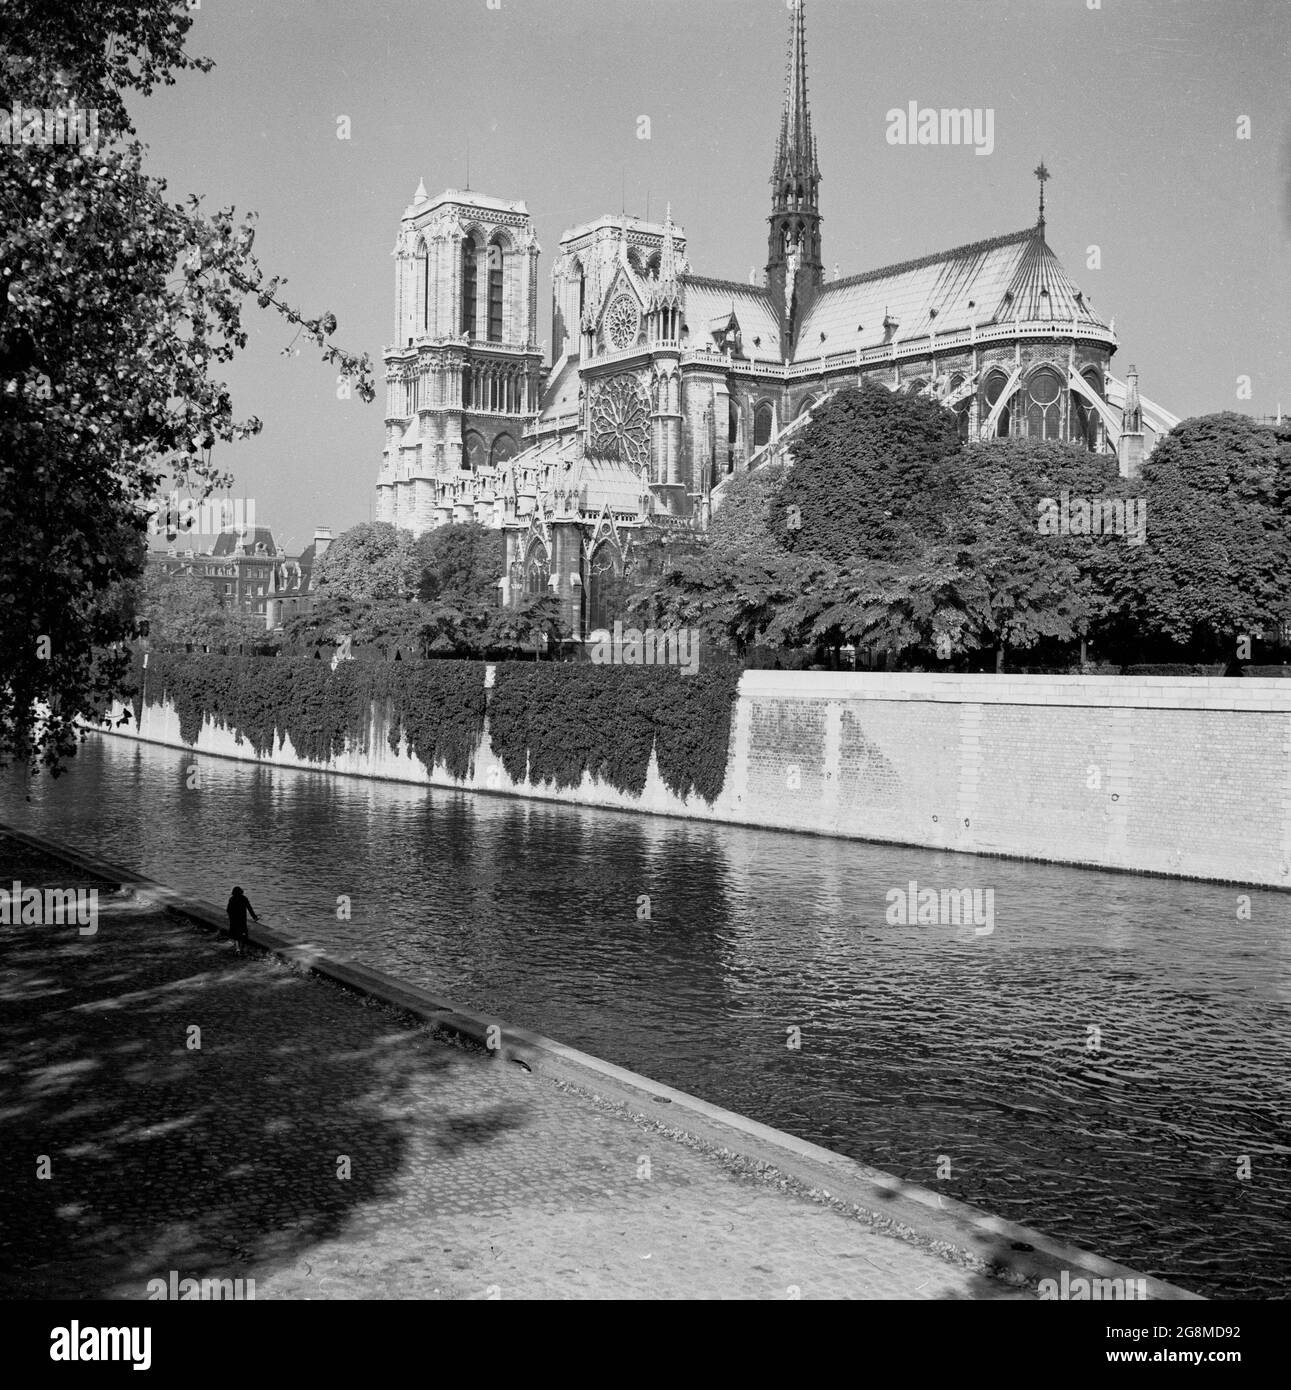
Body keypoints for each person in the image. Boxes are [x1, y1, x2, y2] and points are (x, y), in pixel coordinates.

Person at [225, 886, 259, 957]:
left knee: (235, 935)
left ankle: (237, 949)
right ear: (241, 892)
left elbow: (228, 910)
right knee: (243, 934)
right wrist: (254, 917)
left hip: (234, 919)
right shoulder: (244, 898)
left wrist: (231, 917)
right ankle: (242, 949)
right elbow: (249, 908)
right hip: (242, 919)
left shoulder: (232, 899)